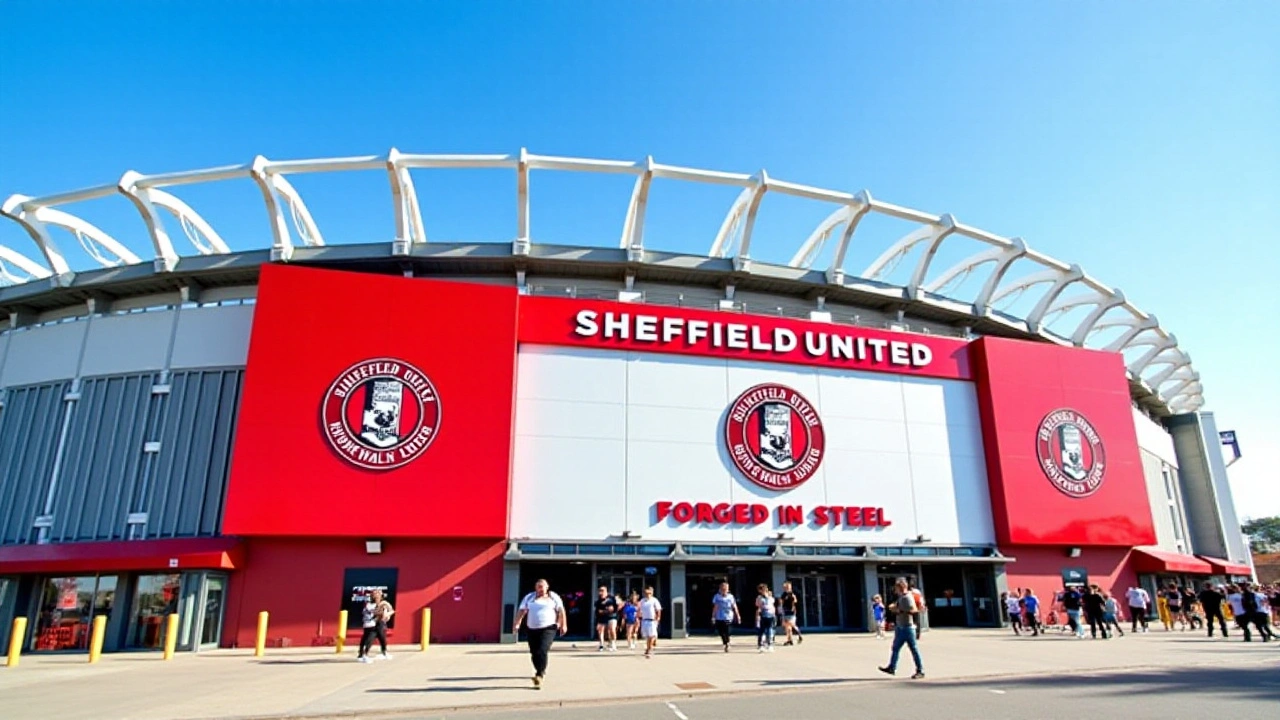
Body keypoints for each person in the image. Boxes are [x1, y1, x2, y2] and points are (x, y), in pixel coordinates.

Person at [514, 579, 567, 689]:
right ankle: (539, 668)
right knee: (534, 652)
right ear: (535, 587)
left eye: (542, 586)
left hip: (549, 627)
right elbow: (522, 611)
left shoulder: (553, 597)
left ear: (547, 587)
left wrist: (563, 624)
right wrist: (517, 623)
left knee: (542, 649)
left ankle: (539, 674)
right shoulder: (529, 597)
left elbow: (561, 610)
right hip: (532, 628)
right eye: (538, 586)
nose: (540, 589)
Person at [878, 578, 924, 679]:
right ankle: (892, 667)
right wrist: (894, 607)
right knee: (895, 648)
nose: (895, 590)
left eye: (896, 587)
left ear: (901, 587)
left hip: (907, 628)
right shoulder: (901, 597)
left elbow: (913, 610)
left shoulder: (908, 597)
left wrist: (898, 610)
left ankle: (920, 670)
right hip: (900, 627)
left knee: (913, 649)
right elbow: (898, 606)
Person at [356, 588, 394, 663]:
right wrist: (385, 613)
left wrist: (388, 613)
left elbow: (387, 613)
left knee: (382, 638)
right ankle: (363, 655)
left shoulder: (383, 603)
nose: (377, 596)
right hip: (370, 625)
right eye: (375, 594)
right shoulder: (369, 604)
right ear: (372, 596)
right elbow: (379, 614)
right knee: (368, 640)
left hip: (378, 624)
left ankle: (384, 652)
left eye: (379, 594)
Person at [710, 582, 741, 652]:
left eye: (726, 589)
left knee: (727, 630)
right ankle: (725, 642)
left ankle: (727, 642)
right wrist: (713, 616)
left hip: (728, 616)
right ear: (720, 589)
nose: (724, 590)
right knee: (721, 631)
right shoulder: (717, 597)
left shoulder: (730, 597)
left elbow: (734, 606)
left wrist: (738, 615)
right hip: (719, 616)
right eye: (723, 589)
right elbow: (715, 607)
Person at [638, 586, 663, 658]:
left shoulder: (654, 600)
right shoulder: (642, 601)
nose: (647, 594)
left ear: (652, 593)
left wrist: (658, 618)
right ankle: (649, 647)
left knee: (651, 636)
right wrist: (639, 615)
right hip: (644, 620)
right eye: (645, 593)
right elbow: (639, 609)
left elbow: (658, 610)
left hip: (652, 620)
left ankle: (649, 649)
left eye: (649, 593)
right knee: (647, 636)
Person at [777, 581, 803, 646]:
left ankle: (799, 634)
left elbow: (795, 601)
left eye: (786, 586)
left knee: (790, 624)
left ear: (789, 586)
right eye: (785, 587)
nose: (785, 588)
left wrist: (792, 604)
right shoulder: (784, 594)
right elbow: (781, 602)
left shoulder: (791, 593)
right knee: (788, 626)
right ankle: (789, 640)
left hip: (790, 611)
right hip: (786, 611)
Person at [593, 586, 618, 652]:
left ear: (606, 591)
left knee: (612, 629)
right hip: (602, 617)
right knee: (600, 630)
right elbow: (598, 611)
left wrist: (612, 609)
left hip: (612, 616)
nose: (601, 592)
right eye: (600, 591)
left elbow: (615, 607)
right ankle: (601, 645)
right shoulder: (598, 601)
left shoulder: (612, 598)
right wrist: (604, 611)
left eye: (602, 590)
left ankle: (613, 643)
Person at [755, 583, 777, 652]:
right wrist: (757, 616)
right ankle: (761, 645)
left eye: (765, 589)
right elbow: (758, 606)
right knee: (762, 630)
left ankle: (770, 644)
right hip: (763, 615)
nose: (765, 590)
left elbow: (772, 605)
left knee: (770, 630)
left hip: (770, 615)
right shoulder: (759, 598)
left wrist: (774, 614)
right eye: (763, 589)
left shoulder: (770, 597)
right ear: (760, 590)